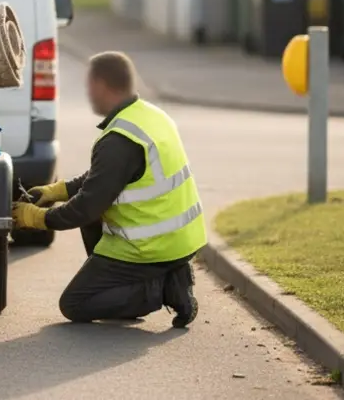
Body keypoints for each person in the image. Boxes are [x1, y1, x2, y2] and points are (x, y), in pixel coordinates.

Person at [11, 51, 206, 327]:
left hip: (149, 249)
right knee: (93, 214)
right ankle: (168, 275)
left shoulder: (118, 140)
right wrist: (56, 190)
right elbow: (103, 179)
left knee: (74, 304)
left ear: (101, 85)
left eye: (89, 86)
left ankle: (163, 289)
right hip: (181, 241)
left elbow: (86, 207)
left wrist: (37, 218)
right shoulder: (149, 116)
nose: (88, 94)